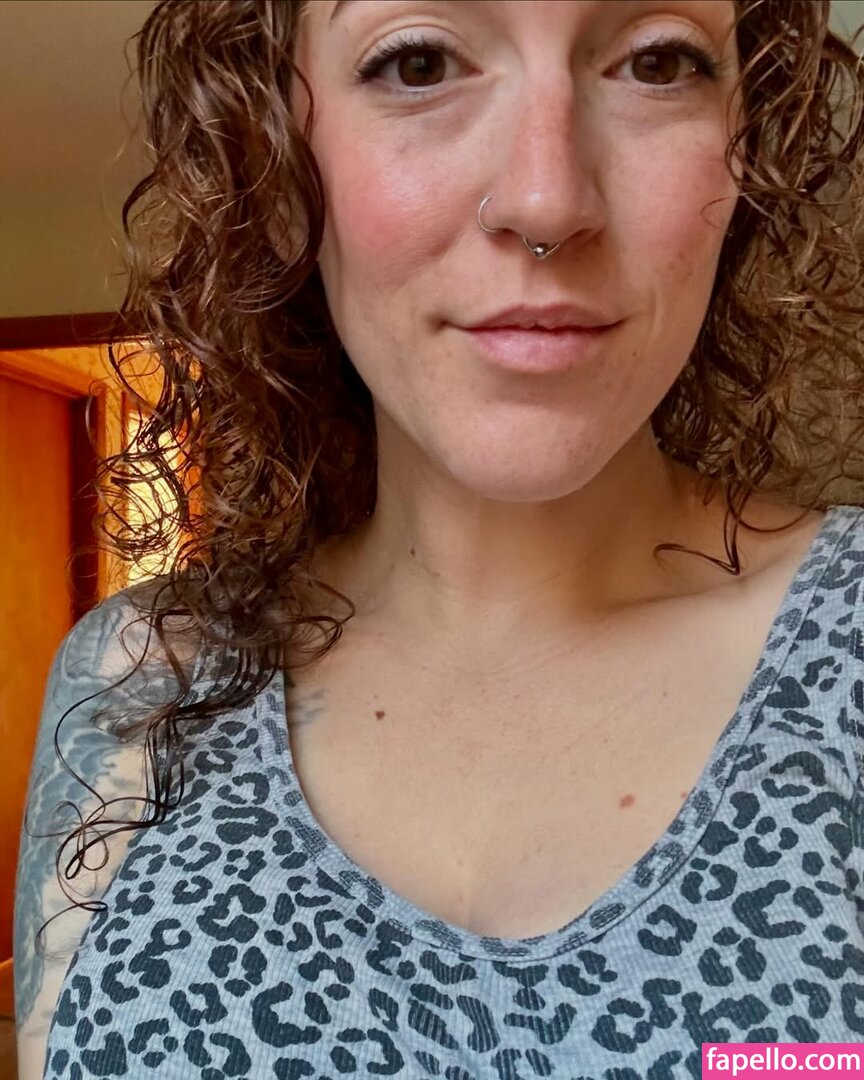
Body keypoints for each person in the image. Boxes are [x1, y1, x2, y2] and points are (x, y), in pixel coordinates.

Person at [13, 0, 864, 1077]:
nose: (547, 200)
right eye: (417, 62)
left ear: (748, 142)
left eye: (658, 62)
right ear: (279, 156)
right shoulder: (138, 682)